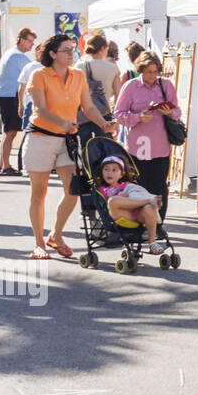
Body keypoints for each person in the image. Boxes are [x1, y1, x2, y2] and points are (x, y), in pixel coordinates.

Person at [26, 33, 118, 260]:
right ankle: (39, 243)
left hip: (67, 140)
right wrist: (62, 123)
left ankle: (55, 235)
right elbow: (39, 110)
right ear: (52, 54)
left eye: (72, 49)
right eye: (66, 50)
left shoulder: (77, 75)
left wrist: (104, 123)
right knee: (39, 192)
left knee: (73, 190)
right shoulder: (39, 75)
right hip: (41, 137)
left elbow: (88, 107)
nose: (71, 53)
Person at [115, 51, 181, 224]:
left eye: (155, 71)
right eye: (148, 72)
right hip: (138, 147)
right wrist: (138, 117)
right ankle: (140, 224)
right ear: (140, 70)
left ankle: (158, 224)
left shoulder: (165, 85)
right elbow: (119, 114)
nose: (152, 76)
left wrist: (169, 112)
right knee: (139, 188)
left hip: (160, 146)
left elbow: (177, 112)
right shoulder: (130, 86)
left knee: (159, 187)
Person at [97, 155, 165, 254]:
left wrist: (127, 196)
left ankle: (152, 243)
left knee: (150, 208)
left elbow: (137, 194)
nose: (109, 173)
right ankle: (149, 200)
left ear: (122, 174)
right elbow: (106, 203)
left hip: (138, 214)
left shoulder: (128, 185)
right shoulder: (102, 189)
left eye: (114, 170)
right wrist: (121, 197)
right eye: (106, 169)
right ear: (101, 172)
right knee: (112, 201)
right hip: (121, 215)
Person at [0, 28, 37, 175]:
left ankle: (2, 165)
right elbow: (32, 78)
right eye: (30, 41)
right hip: (10, 95)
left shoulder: (11, 53)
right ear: (22, 40)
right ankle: (5, 166)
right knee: (10, 132)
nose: (32, 45)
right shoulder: (19, 57)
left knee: (8, 132)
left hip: (6, 94)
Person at [75, 35, 123, 154]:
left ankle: (87, 171)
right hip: (104, 114)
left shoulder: (79, 66)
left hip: (82, 113)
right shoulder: (113, 68)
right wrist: (116, 119)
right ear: (102, 48)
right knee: (106, 148)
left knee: (85, 149)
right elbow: (119, 96)